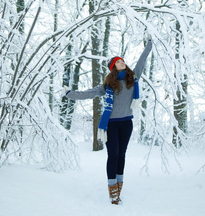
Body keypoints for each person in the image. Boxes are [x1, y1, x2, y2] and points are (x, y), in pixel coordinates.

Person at [64, 38, 152, 205]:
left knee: (122, 155)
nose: (122, 62)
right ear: (113, 67)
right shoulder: (108, 86)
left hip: (127, 123)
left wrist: (150, 43)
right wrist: (70, 94)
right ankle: (112, 191)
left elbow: (142, 59)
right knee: (113, 155)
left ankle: (119, 187)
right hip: (110, 125)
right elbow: (88, 93)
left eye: (123, 60)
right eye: (118, 61)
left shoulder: (132, 78)